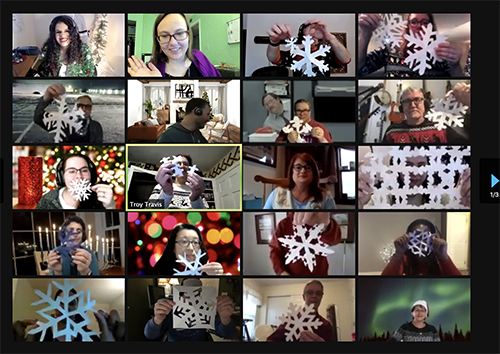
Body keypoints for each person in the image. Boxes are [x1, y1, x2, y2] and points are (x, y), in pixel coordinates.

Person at [358, 148, 471, 209]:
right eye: (408, 165)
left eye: (421, 165)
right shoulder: (384, 194)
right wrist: (360, 205)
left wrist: (465, 205)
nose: (414, 172)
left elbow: (455, 204)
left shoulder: (440, 196)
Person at [358, 13, 463, 77]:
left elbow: (457, 77)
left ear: (431, 26)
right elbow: (360, 69)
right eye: (414, 22)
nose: (419, 26)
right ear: (408, 26)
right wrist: (365, 33)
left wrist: (455, 65)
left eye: (425, 22)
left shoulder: (442, 52)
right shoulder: (391, 49)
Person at [128, 13, 221, 78]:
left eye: (180, 33)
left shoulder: (199, 56)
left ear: (188, 35)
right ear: (158, 41)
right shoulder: (148, 71)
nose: (173, 43)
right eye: (164, 36)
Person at [144, 278, 236, 341]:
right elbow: (150, 335)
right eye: (187, 293)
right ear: (180, 293)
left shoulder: (206, 309)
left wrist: (225, 319)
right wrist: (157, 319)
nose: (191, 297)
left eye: (196, 293)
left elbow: (227, 334)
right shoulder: (170, 310)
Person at [266, 19, 351, 77]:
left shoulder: (325, 54)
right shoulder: (295, 53)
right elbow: (274, 59)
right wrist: (274, 42)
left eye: (315, 35)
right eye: (308, 36)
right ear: (303, 39)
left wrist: (330, 38)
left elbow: (345, 60)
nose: (312, 38)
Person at [382, 87, 468, 143]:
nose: (412, 105)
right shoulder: (392, 131)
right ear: (402, 107)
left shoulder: (440, 128)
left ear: (425, 104)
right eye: (407, 101)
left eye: (417, 100)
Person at [381, 219, 462, 275]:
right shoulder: (406, 259)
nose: (421, 242)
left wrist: (444, 257)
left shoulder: (439, 259)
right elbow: (383, 282)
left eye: (425, 237)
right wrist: (397, 256)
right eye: (417, 238)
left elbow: (460, 283)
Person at [269, 212, 341, 275]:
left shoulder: (319, 217)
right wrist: (281, 272)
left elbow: (335, 240)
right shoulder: (283, 224)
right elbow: (275, 250)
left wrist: (326, 225)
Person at [35, 154, 116, 209]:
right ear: (62, 176)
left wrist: (110, 206)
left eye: (84, 170)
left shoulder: (99, 200)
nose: (79, 176)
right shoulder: (47, 202)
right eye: (72, 171)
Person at [266, 280, 335, 341]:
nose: (314, 296)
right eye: (310, 292)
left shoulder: (325, 325)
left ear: (321, 297)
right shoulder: (290, 320)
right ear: (303, 297)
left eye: (318, 293)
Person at [33, 84, 103, 143]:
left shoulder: (96, 126)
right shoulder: (64, 122)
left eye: (87, 106)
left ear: (91, 109)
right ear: (75, 107)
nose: (84, 109)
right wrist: (46, 99)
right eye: (80, 105)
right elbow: (38, 118)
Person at [263, 153, 337, 209]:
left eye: (307, 167)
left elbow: (334, 224)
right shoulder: (277, 194)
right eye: (298, 167)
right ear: (292, 172)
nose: (303, 171)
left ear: (314, 173)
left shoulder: (326, 196)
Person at [150, 223, 223, 275]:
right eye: (184, 242)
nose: (191, 248)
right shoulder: (159, 273)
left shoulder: (206, 272)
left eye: (195, 242)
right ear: (173, 247)